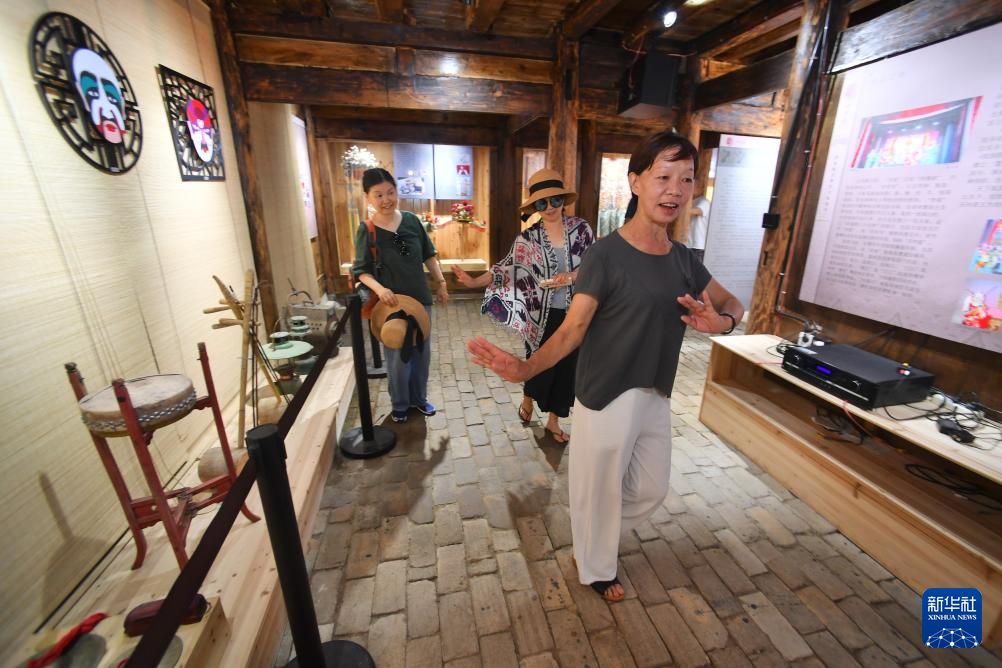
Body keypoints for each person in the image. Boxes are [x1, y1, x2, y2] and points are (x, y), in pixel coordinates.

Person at [466, 132, 744, 601]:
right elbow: (572, 330)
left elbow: (732, 302)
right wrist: (526, 369)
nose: (675, 190)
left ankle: (591, 537)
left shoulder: (683, 259)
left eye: (686, 179)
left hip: (656, 391)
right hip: (605, 393)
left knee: (651, 489)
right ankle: (595, 565)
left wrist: (723, 322)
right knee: (598, 490)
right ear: (635, 182)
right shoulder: (604, 254)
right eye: (663, 177)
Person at [453, 168, 594, 443]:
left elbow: (595, 265)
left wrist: (573, 276)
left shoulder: (582, 230)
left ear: (563, 200)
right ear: (534, 207)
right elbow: (505, 269)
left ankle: (553, 421)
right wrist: (473, 282)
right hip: (539, 316)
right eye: (542, 203)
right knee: (537, 363)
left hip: (575, 312)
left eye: (555, 200)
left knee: (566, 368)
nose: (550, 207)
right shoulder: (527, 239)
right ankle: (528, 398)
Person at [353, 167, 449, 423]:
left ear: (397, 192)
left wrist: (441, 283)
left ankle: (419, 399)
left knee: (421, 353)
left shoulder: (411, 221)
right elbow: (361, 271)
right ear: (368, 198)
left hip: (420, 299)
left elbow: (428, 255)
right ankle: (400, 404)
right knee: (397, 356)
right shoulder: (367, 230)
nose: (386, 200)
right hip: (391, 304)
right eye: (378, 195)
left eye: (390, 192)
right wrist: (380, 289)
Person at [688, 186, 710, 263]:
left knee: (695, 269)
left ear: (701, 188)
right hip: (689, 244)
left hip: (698, 246)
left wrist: (677, 210)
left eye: (694, 186)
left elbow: (698, 211)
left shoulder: (704, 202)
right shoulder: (691, 202)